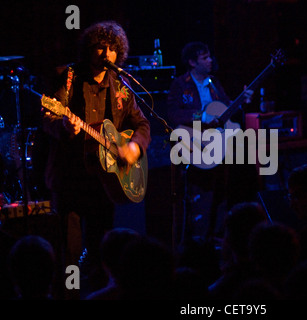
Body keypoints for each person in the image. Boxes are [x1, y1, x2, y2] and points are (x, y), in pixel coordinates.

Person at [41, 20, 151, 293]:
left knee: (103, 250)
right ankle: (68, 295)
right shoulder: (67, 77)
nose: (106, 54)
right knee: (70, 251)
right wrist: (64, 125)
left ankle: (102, 293)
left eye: (112, 49)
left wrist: (134, 147)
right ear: (89, 49)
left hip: (104, 183)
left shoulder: (121, 85)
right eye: (100, 48)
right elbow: (48, 119)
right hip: (71, 180)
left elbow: (142, 125)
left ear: (119, 53)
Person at [166, 41, 254, 241]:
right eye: (204, 58)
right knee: (200, 193)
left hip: (217, 144)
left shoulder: (214, 83)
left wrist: (241, 102)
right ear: (192, 62)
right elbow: (173, 114)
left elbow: (224, 108)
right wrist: (201, 116)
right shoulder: (181, 84)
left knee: (221, 190)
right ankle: (198, 237)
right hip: (194, 144)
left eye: (209, 56)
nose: (210, 60)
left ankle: (217, 236)